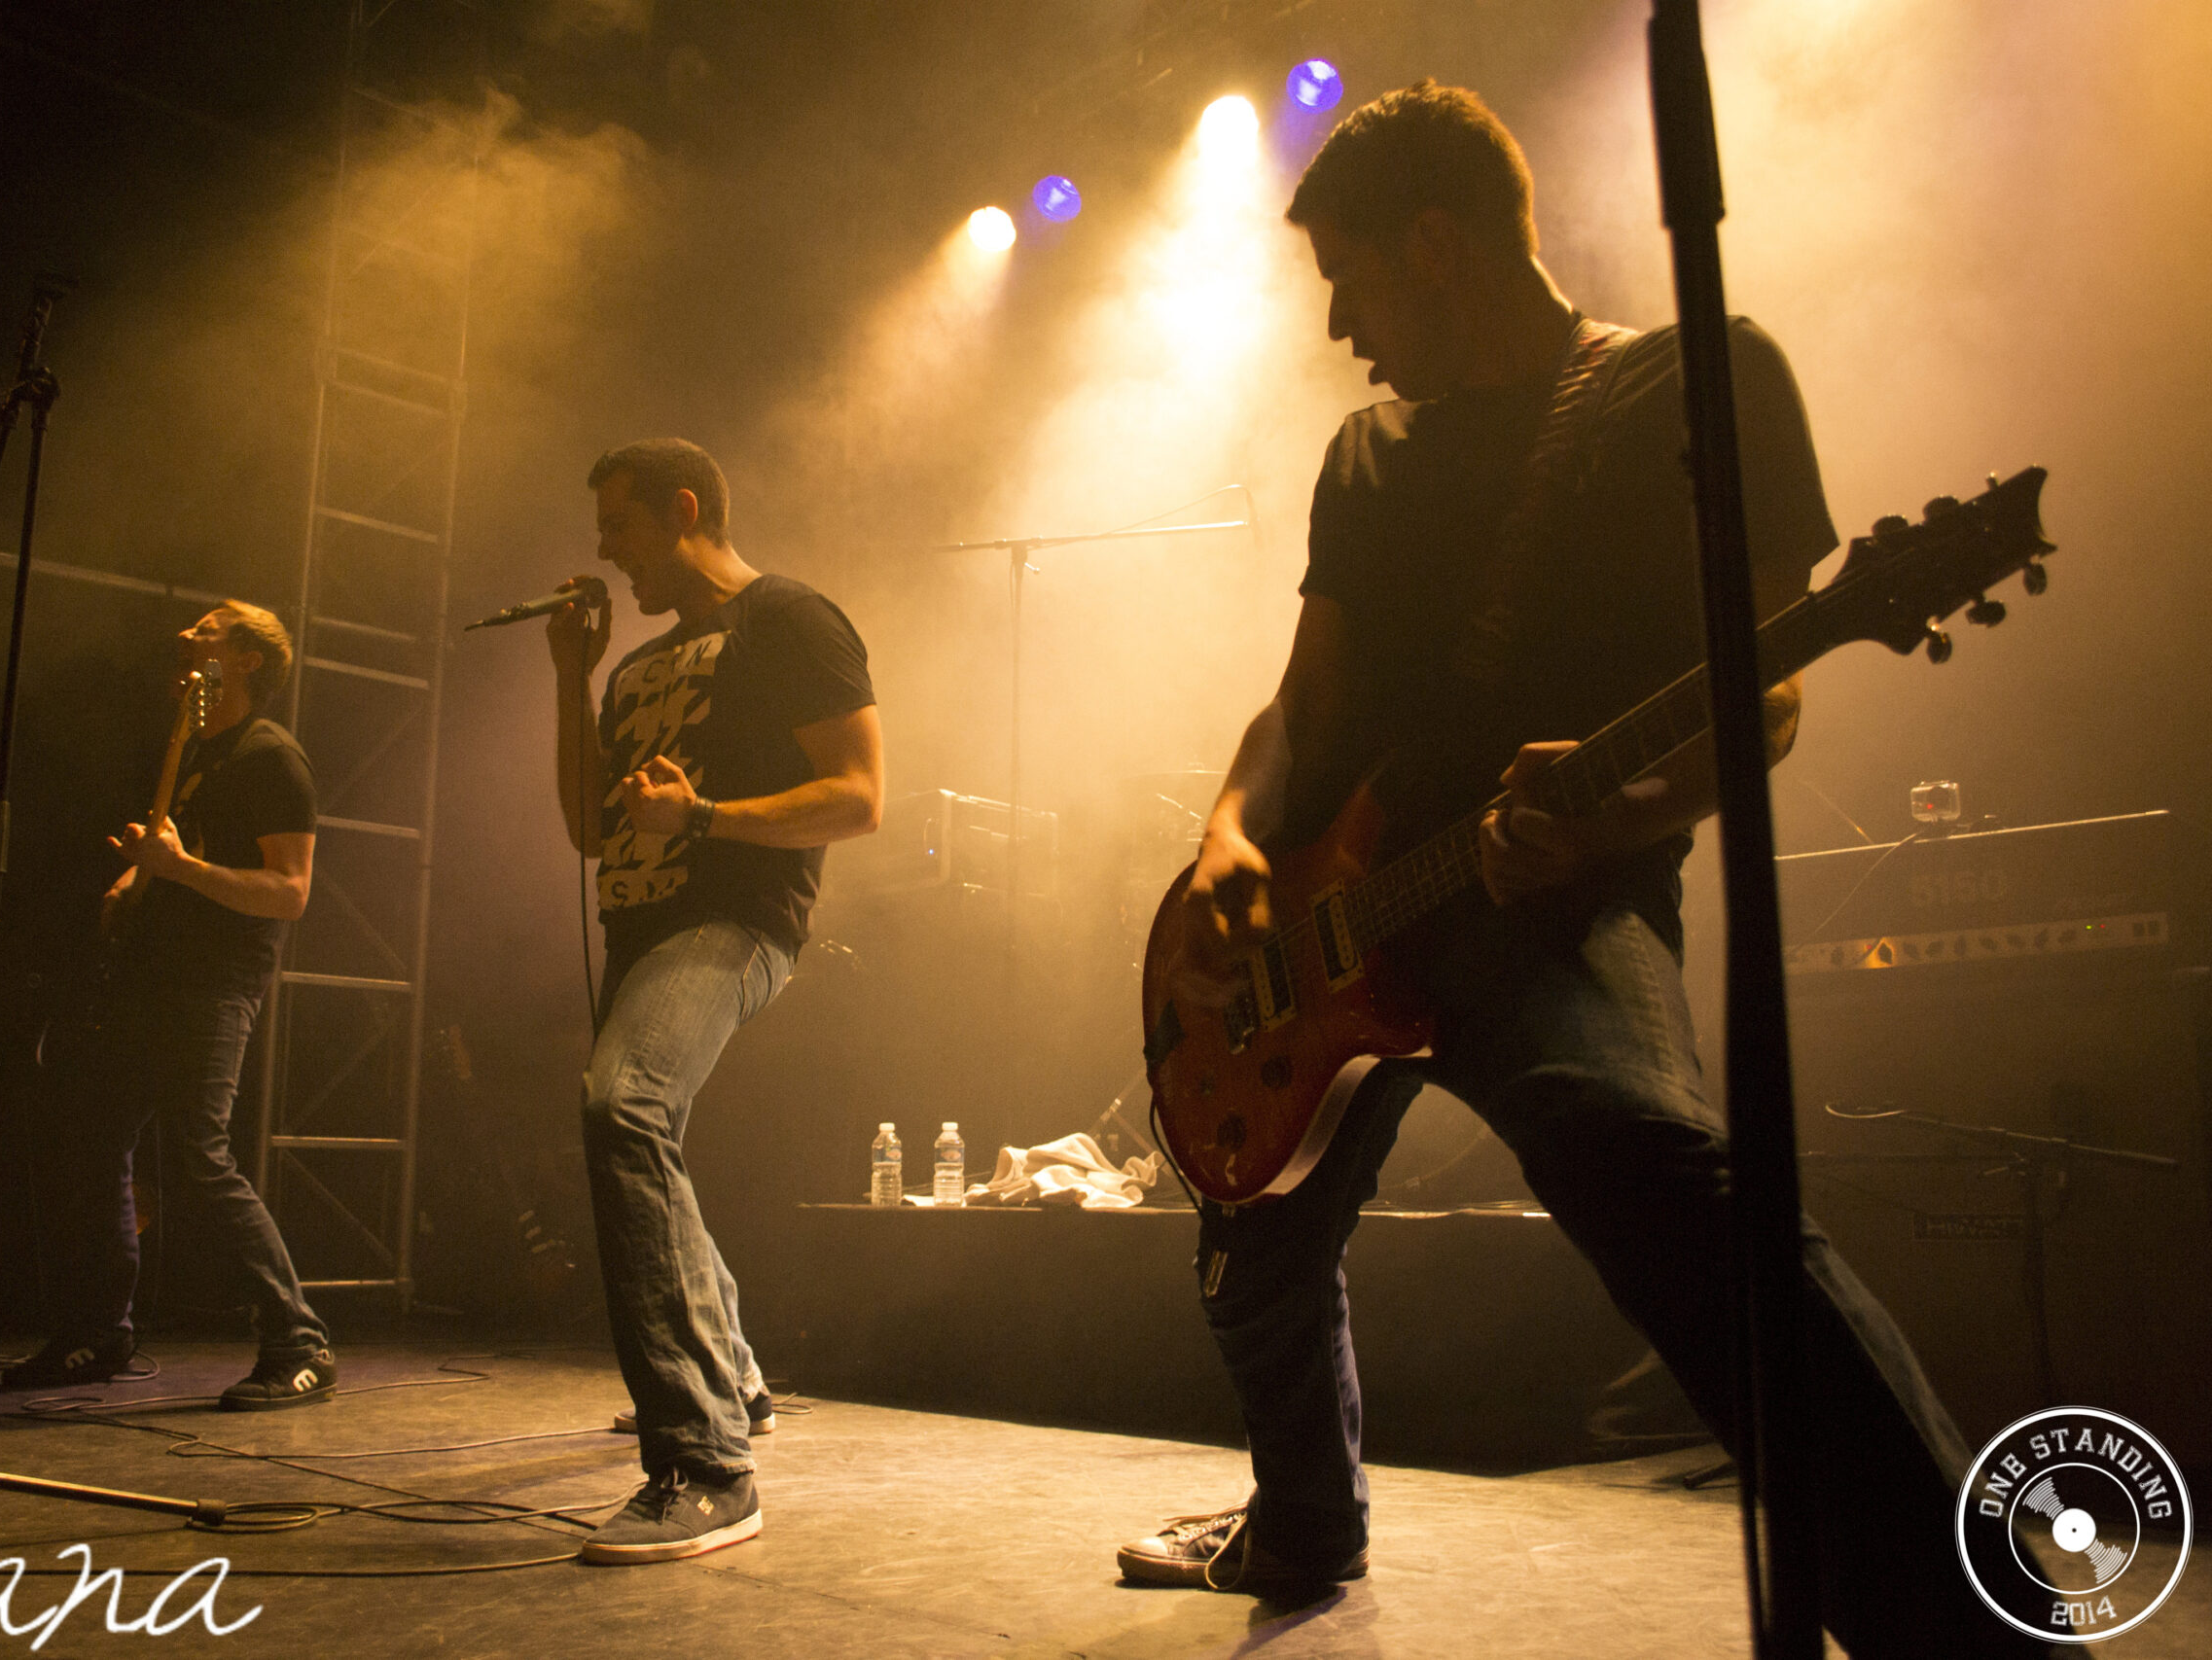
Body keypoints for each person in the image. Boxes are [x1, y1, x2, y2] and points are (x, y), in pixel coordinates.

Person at [1113, 84, 2045, 1656]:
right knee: (1248, 1232)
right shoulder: (1367, 454)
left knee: (1658, 1172)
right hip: (1332, 914)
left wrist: (1615, 817)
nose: (1336, 323)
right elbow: (1305, 704)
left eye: (1347, 276)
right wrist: (1227, 833)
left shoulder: (1697, 377)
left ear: (1435, 240)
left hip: (1554, 903)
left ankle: (1966, 1626)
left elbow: (1769, 689)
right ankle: (1298, 1523)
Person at [542, 438, 881, 1564]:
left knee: (620, 1109)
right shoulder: (640, 666)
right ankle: (733, 1373)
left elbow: (858, 796)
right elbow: (587, 827)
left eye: (620, 530)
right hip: (639, 931)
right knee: (641, 1125)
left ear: (683, 510)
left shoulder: (787, 619)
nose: (608, 556)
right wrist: (570, 675)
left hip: (734, 921)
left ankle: (703, 1460)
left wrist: (701, 818)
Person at [6, 600, 336, 1411]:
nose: (189, 634)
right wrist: (137, 879)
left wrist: (181, 869)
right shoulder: (192, 750)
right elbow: (174, 861)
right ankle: (101, 1327)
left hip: (212, 986)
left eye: (211, 628)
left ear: (250, 659)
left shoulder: (270, 756)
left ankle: (300, 1340)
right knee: (89, 1139)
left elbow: (290, 894)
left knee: (197, 1158)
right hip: (148, 979)